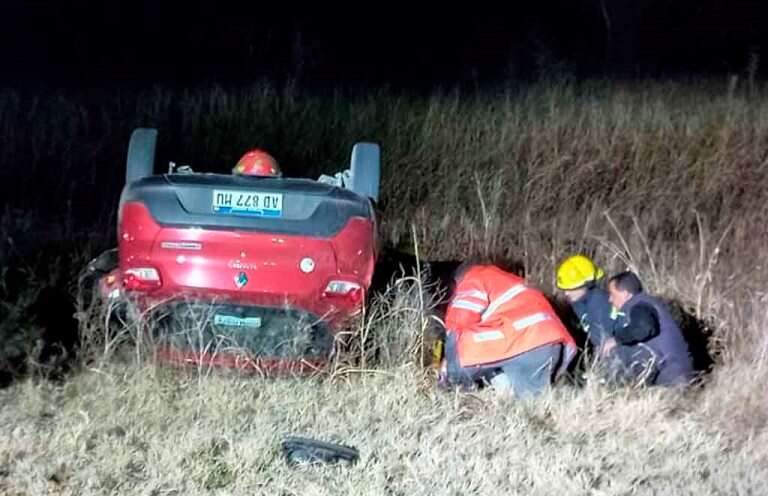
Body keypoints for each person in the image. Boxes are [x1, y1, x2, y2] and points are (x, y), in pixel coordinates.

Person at [438, 263, 577, 398]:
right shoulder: (510, 281)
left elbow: (459, 321)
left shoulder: (474, 276)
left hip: (520, 339)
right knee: (529, 405)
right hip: (549, 345)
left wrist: (447, 363)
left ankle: (455, 396)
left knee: (458, 343)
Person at [605, 271, 694, 388]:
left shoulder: (640, 306)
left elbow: (644, 329)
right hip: (674, 372)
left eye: (612, 294)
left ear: (625, 294)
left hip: (673, 376)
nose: (610, 299)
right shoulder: (646, 303)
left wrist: (616, 340)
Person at [556, 254, 616, 356]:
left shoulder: (600, 303)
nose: (566, 293)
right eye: (565, 289)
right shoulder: (577, 301)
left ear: (586, 285)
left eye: (571, 289)